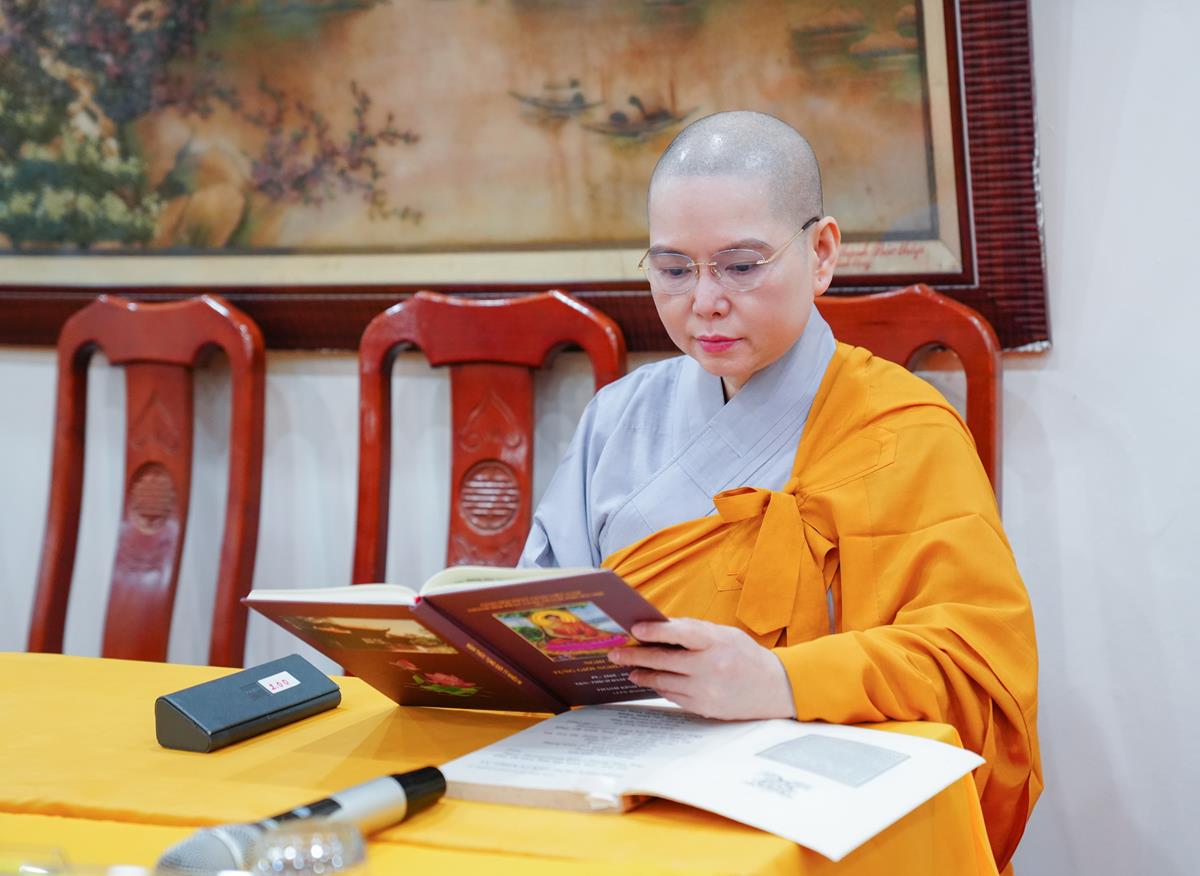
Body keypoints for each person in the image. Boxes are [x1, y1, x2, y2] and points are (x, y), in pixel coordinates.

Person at [518, 110, 1041, 870]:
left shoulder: (902, 430)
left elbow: (973, 674)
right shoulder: (617, 417)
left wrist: (781, 681)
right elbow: (538, 619)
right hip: (613, 791)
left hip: (808, 816)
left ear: (821, 253)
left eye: (740, 266)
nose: (704, 301)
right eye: (673, 269)